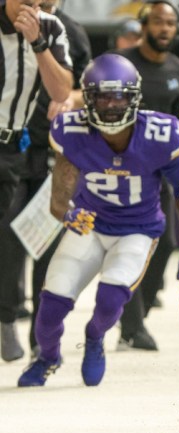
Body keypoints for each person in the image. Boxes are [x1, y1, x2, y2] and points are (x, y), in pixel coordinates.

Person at [16, 54, 179, 387]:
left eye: (119, 96)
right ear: (88, 98)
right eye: (102, 96)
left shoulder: (162, 134)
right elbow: (58, 201)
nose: (112, 104)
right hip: (91, 225)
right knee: (49, 309)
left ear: (134, 97)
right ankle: (48, 357)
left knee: (110, 299)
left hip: (138, 230)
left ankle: (95, 337)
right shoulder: (72, 130)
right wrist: (68, 213)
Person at [0, 0, 91, 361]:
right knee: (7, 237)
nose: (36, 6)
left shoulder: (60, 30)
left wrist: (69, 99)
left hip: (49, 151)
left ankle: (42, 330)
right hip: (17, 148)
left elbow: (75, 91)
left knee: (47, 241)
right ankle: (6, 319)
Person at [111, 0, 179, 352]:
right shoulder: (125, 64)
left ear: (178, 28)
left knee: (167, 245)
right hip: (122, 173)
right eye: (158, 21)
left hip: (160, 173)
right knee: (130, 248)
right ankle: (133, 325)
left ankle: (134, 312)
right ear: (143, 25)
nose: (164, 28)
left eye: (170, 23)